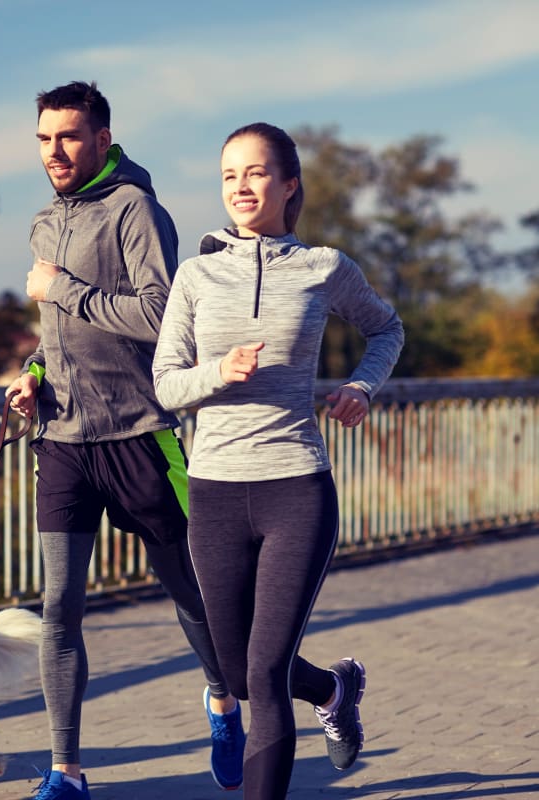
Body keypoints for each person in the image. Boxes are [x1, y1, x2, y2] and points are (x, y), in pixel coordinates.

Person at [4, 81, 245, 799]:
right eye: (45, 137)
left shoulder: (135, 209)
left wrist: (62, 289)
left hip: (141, 436)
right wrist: (32, 373)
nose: (56, 150)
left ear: (103, 140)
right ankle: (67, 771)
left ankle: (223, 702)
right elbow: (59, 337)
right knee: (59, 609)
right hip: (64, 442)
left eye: (70, 136)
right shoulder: (45, 222)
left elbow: (161, 315)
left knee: (192, 594)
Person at [152, 122, 404, 799]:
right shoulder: (196, 275)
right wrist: (217, 374)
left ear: (288, 184)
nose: (240, 186)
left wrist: (360, 385)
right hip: (214, 492)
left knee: (263, 674)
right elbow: (166, 383)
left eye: (256, 172)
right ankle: (333, 687)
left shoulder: (323, 267)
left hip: (295, 485)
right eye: (230, 174)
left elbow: (386, 328)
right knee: (235, 674)